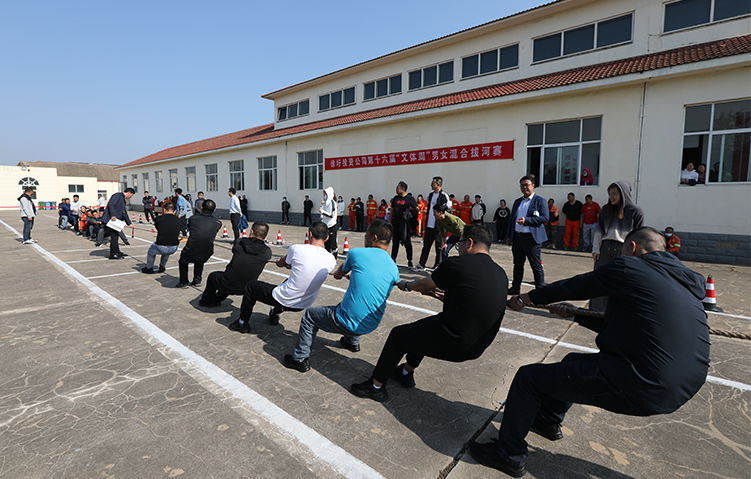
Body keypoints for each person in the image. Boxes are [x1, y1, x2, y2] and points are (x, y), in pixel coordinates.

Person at [470, 227, 710, 478]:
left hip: (643, 381)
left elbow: (577, 286)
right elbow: (628, 325)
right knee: (573, 362)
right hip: (685, 385)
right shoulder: (681, 281)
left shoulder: (631, 267)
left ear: (633, 248)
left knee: (528, 379)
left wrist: (527, 298)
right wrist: (577, 314)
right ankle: (548, 420)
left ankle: (509, 454)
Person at [351, 224, 507, 402]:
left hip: (456, 341)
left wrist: (405, 285)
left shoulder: (458, 263)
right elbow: (472, 301)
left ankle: (375, 387)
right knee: (423, 330)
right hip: (478, 346)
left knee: (398, 336)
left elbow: (423, 284)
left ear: (469, 243)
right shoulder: (500, 274)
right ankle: (405, 373)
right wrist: (440, 296)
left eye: (460, 244)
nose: (459, 249)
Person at [283, 219, 399, 373]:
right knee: (356, 301)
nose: (365, 237)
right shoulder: (394, 268)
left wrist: (344, 273)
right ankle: (352, 342)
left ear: (374, 238)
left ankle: (300, 359)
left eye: (367, 233)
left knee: (309, 316)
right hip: (372, 323)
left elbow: (338, 275)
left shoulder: (357, 253)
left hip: (347, 321)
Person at [228, 222, 335, 333]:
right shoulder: (331, 259)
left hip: (285, 300)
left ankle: (242, 322)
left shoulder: (297, 249)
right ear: (327, 237)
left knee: (251, 286)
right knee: (287, 282)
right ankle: (275, 313)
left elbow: (282, 263)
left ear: (310, 234)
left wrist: (280, 262)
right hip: (304, 304)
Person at [591, 180, 645, 311]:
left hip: (624, 251)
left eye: (615, 194)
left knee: (622, 284)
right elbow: (599, 230)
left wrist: (636, 256)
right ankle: (595, 312)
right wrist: (596, 248)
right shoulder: (606, 209)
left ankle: (618, 313)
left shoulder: (636, 212)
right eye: (610, 194)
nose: (611, 197)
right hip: (605, 249)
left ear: (623, 194)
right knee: (600, 282)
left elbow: (639, 235)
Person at [200, 221, 272, 307]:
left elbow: (237, 245)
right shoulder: (267, 252)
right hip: (247, 287)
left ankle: (206, 302)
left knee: (213, 276)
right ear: (266, 236)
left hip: (228, 283)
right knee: (231, 277)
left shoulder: (240, 243)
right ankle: (217, 299)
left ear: (252, 231)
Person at [506, 177, 548, 295]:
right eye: (522, 185)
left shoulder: (540, 201)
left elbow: (545, 218)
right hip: (518, 238)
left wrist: (527, 221)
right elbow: (512, 220)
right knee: (518, 264)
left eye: (527, 185)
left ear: (533, 185)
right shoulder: (517, 202)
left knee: (536, 266)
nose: (524, 187)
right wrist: (509, 236)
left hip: (532, 239)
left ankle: (540, 290)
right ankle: (516, 287)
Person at [176, 199, 222, 288]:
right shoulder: (218, 223)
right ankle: (197, 280)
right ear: (214, 210)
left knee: (183, 261)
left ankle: (183, 282)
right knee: (200, 258)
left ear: (201, 208)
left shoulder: (193, 219)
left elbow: (191, 228)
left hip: (191, 248)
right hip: (207, 250)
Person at [416, 176, 450, 271]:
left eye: (433, 183)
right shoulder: (431, 195)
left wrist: (444, 223)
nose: (431, 185)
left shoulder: (444, 196)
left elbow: (449, 210)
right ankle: (421, 264)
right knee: (426, 246)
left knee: (438, 247)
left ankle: (438, 265)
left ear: (438, 184)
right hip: (429, 225)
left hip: (438, 227)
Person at [141, 202, 182, 274]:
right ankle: (162, 267)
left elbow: (158, 228)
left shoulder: (158, 219)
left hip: (161, 245)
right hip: (174, 247)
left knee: (151, 251)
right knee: (166, 252)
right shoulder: (178, 220)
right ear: (175, 211)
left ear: (164, 209)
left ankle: (149, 268)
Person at [389, 181, 418, 269]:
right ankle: (393, 260)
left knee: (407, 243)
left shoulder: (410, 199)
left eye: (397, 188)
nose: (396, 189)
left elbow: (416, 210)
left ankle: (410, 261)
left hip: (405, 225)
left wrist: (409, 213)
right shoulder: (396, 198)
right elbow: (392, 211)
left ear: (403, 189)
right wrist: (389, 223)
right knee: (395, 243)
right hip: (396, 224)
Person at [101, 188, 135, 259]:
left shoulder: (122, 199)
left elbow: (124, 212)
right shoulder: (117, 195)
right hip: (110, 220)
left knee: (116, 237)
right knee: (114, 237)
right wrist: (113, 215)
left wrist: (129, 223)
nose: (130, 197)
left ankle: (117, 252)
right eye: (131, 195)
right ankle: (112, 254)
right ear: (128, 193)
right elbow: (111, 205)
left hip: (116, 221)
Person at [319, 187, 338, 258]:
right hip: (326, 226)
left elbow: (331, 215)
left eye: (325, 194)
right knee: (326, 244)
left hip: (331, 225)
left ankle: (334, 258)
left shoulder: (332, 203)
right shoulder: (325, 203)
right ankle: (327, 258)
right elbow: (322, 214)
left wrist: (322, 211)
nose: (324, 196)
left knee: (332, 243)